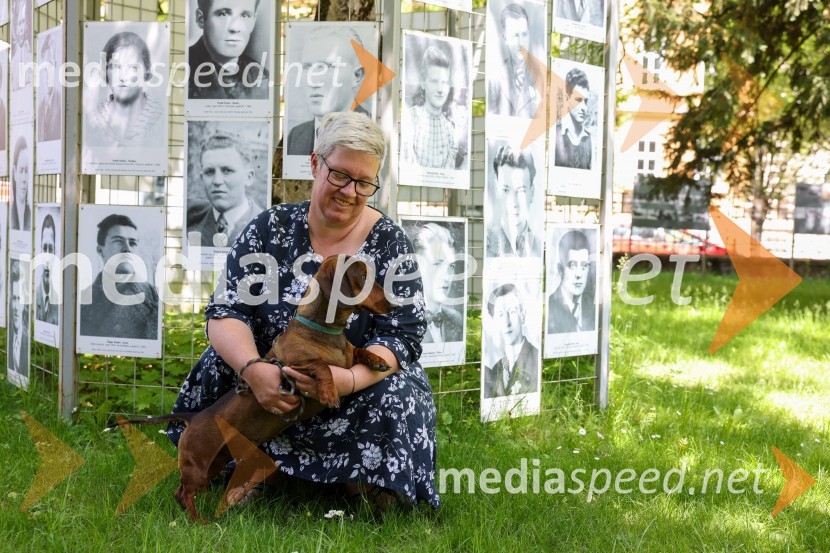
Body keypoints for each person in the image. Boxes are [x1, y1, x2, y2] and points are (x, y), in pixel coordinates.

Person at [168, 111, 439, 512]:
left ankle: (353, 477)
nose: (350, 190)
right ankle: (254, 464)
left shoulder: (390, 242)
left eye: (364, 182)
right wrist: (253, 370)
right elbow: (226, 310)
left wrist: (345, 379)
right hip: (268, 380)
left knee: (397, 389)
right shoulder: (268, 227)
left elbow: (403, 335)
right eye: (340, 175)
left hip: (349, 385)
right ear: (315, 164)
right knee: (220, 361)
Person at [287, 27, 368, 156]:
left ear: (356, 76)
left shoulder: (373, 130)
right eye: (307, 67)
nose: (313, 80)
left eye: (327, 67)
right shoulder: (296, 136)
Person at [79, 214, 160, 340]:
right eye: (118, 241)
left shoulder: (154, 297)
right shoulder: (82, 299)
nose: (127, 249)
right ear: (100, 250)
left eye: (132, 243)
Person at [86, 32, 164, 148]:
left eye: (132, 67)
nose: (122, 77)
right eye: (115, 67)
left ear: (146, 70)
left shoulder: (159, 118)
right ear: (105, 72)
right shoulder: (93, 121)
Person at [188, 133, 265, 247]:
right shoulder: (190, 222)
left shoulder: (267, 227)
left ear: (248, 177)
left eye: (227, 170)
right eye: (209, 172)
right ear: (202, 178)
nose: (217, 181)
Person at [188, 0, 269, 101]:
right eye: (223, 14)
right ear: (201, 19)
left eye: (245, 15)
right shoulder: (183, 68)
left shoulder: (261, 75)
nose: (235, 28)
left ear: (253, 21)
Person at [402, 46, 461, 170]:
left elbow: (447, 176)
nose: (440, 89)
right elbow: (408, 167)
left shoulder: (450, 129)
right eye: (434, 81)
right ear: (423, 83)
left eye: (444, 82)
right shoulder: (411, 117)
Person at [483, 284, 538, 398]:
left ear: (522, 315)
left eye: (512, 312)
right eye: (501, 315)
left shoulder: (535, 359)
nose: (506, 322)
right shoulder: (494, 370)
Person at [411, 222, 463, 344]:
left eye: (451, 266)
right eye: (438, 264)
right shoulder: (405, 322)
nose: (447, 277)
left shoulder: (457, 320)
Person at [486, 143, 541, 257]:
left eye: (520, 191)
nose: (513, 202)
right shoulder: (487, 245)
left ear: (532, 192)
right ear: (497, 190)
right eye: (506, 190)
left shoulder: (540, 247)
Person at [488, 3, 541, 118]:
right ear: (505, 38)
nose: (521, 43)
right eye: (515, 35)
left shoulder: (541, 75)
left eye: (524, 34)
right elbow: (491, 119)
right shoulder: (495, 77)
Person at [548, 230, 595, 334]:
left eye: (584, 266)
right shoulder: (550, 307)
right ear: (560, 269)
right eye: (572, 266)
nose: (579, 274)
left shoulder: (592, 307)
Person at [554, 67, 593, 170]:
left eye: (586, 101)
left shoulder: (589, 139)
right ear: (567, 99)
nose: (583, 108)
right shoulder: (555, 134)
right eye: (578, 100)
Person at [37, 32, 62, 143]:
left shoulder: (61, 104)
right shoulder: (40, 108)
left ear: (56, 65)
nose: (47, 73)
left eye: (50, 65)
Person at [35, 214, 60, 325]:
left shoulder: (60, 300)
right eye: (44, 248)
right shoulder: (35, 294)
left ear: (55, 253)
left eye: (51, 249)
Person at [8, 261, 30, 379]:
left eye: (19, 299)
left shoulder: (28, 342)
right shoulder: (9, 338)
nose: (16, 307)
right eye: (14, 299)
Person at [10, 0, 32, 91]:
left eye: (23, 22)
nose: (22, 28)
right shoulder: (14, 60)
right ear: (16, 28)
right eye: (19, 23)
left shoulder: (30, 55)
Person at [11, 135, 31, 231]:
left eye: (26, 171)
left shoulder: (31, 215)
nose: (24, 179)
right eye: (21, 170)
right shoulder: (10, 215)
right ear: (15, 172)